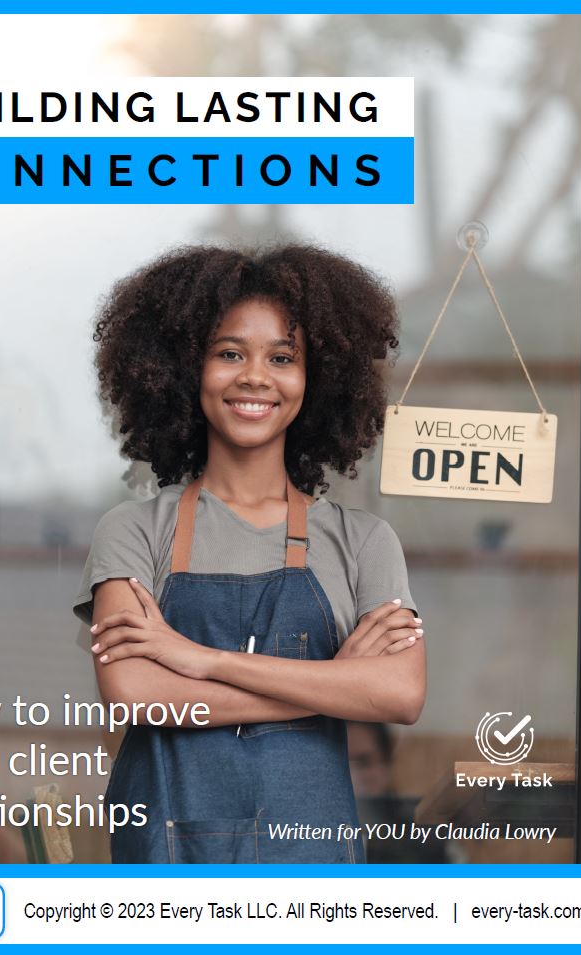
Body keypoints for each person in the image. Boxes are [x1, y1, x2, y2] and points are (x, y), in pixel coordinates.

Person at [73, 245, 426, 863]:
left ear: (317, 379)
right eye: (229, 353)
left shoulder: (363, 541)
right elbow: (134, 692)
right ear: (185, 369)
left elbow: (399, 695)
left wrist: (198, 659)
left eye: (282, 358)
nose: (256, 377)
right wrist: (332, 684)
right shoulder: (134, 531)